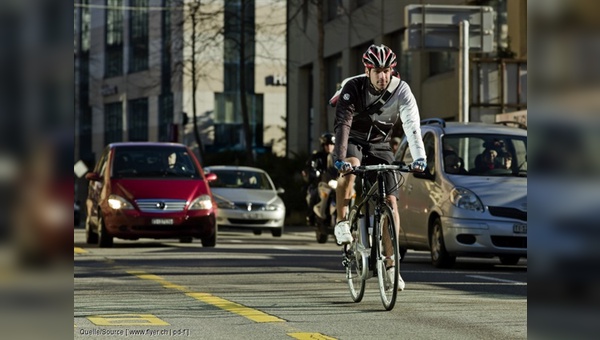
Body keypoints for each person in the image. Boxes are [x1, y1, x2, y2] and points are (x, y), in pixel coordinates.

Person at [332, 44, 427, 291]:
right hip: (353, 140)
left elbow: (412, 124)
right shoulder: (353, 88)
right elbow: (342, 124)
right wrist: (339, 158)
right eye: (377, 71)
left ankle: (392, 266)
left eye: (387, 71)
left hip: (380, 144)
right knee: (350, 167)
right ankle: (342, 220)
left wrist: (420, 157)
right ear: (368, 70)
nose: (383, 76)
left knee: (391, 203)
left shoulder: (401, 90)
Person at [302, 132, 336, 225]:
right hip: (320, 182)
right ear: (323, 145)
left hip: (333, 182)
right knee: (314, 193)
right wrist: (313, 172)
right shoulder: (317, 156)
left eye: (331, 144)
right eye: (327, 144)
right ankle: (310, 216)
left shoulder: (336, 157)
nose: (329, 146)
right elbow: (310, 166)